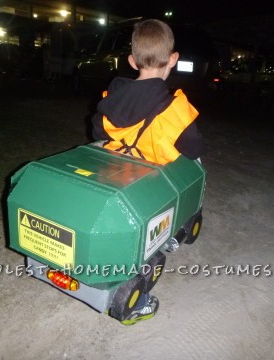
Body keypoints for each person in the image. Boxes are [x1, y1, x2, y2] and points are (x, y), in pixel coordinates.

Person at [92, 19, 203, 325]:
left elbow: (96, 129)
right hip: (148, 179)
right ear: (173, 59)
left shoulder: (112, 95)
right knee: (146, 237)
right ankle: (135, 299)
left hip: (113, 169)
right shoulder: (175, 110)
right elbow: (194, 148)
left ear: (131, 61)